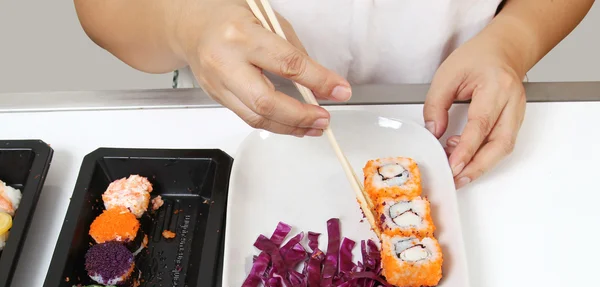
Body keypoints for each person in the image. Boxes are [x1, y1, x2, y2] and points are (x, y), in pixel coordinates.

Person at [73, 0, 595, 188]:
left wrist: (515, 40)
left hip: (461, 135)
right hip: (227, 132)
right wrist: (183, 21)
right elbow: (102, 9)